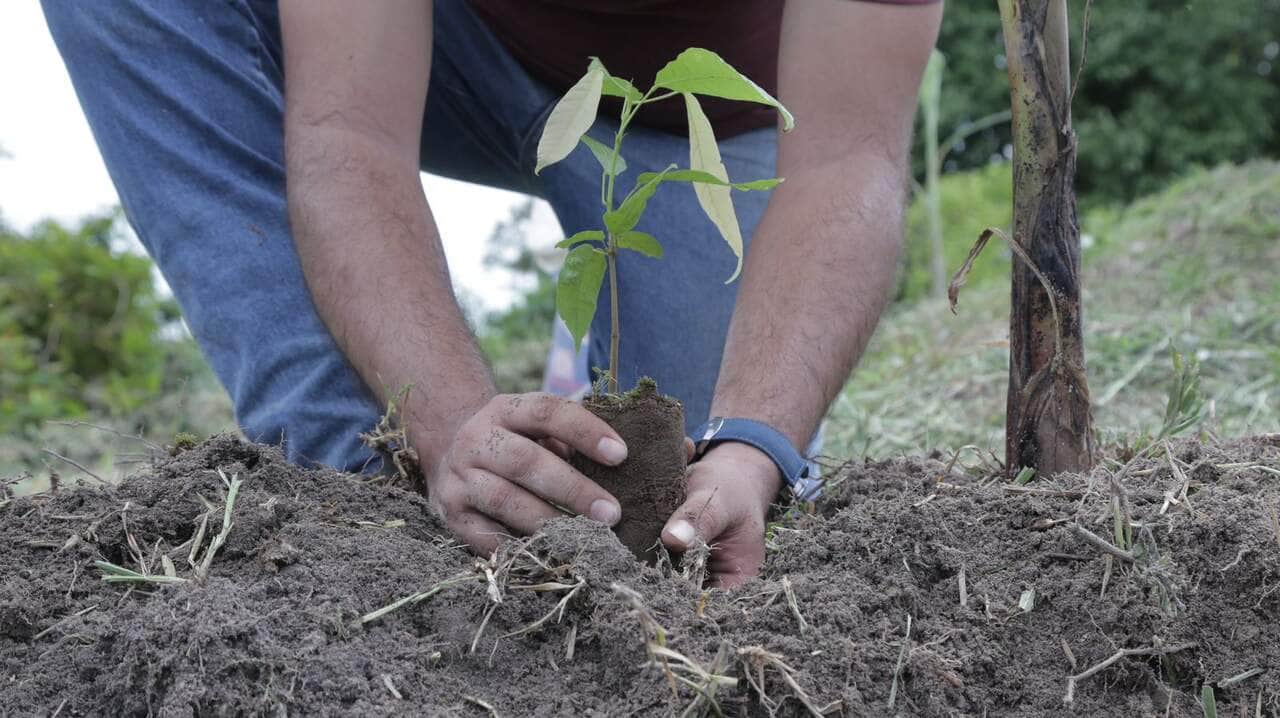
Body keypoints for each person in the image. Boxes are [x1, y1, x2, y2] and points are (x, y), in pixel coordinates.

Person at [42, 0, 942, 586]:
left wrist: (754, 443)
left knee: (684, 500)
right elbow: (348, 132)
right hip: (445, 42)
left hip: (701, 119)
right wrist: (443, 423)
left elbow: (847, 158)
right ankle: (358, 489)